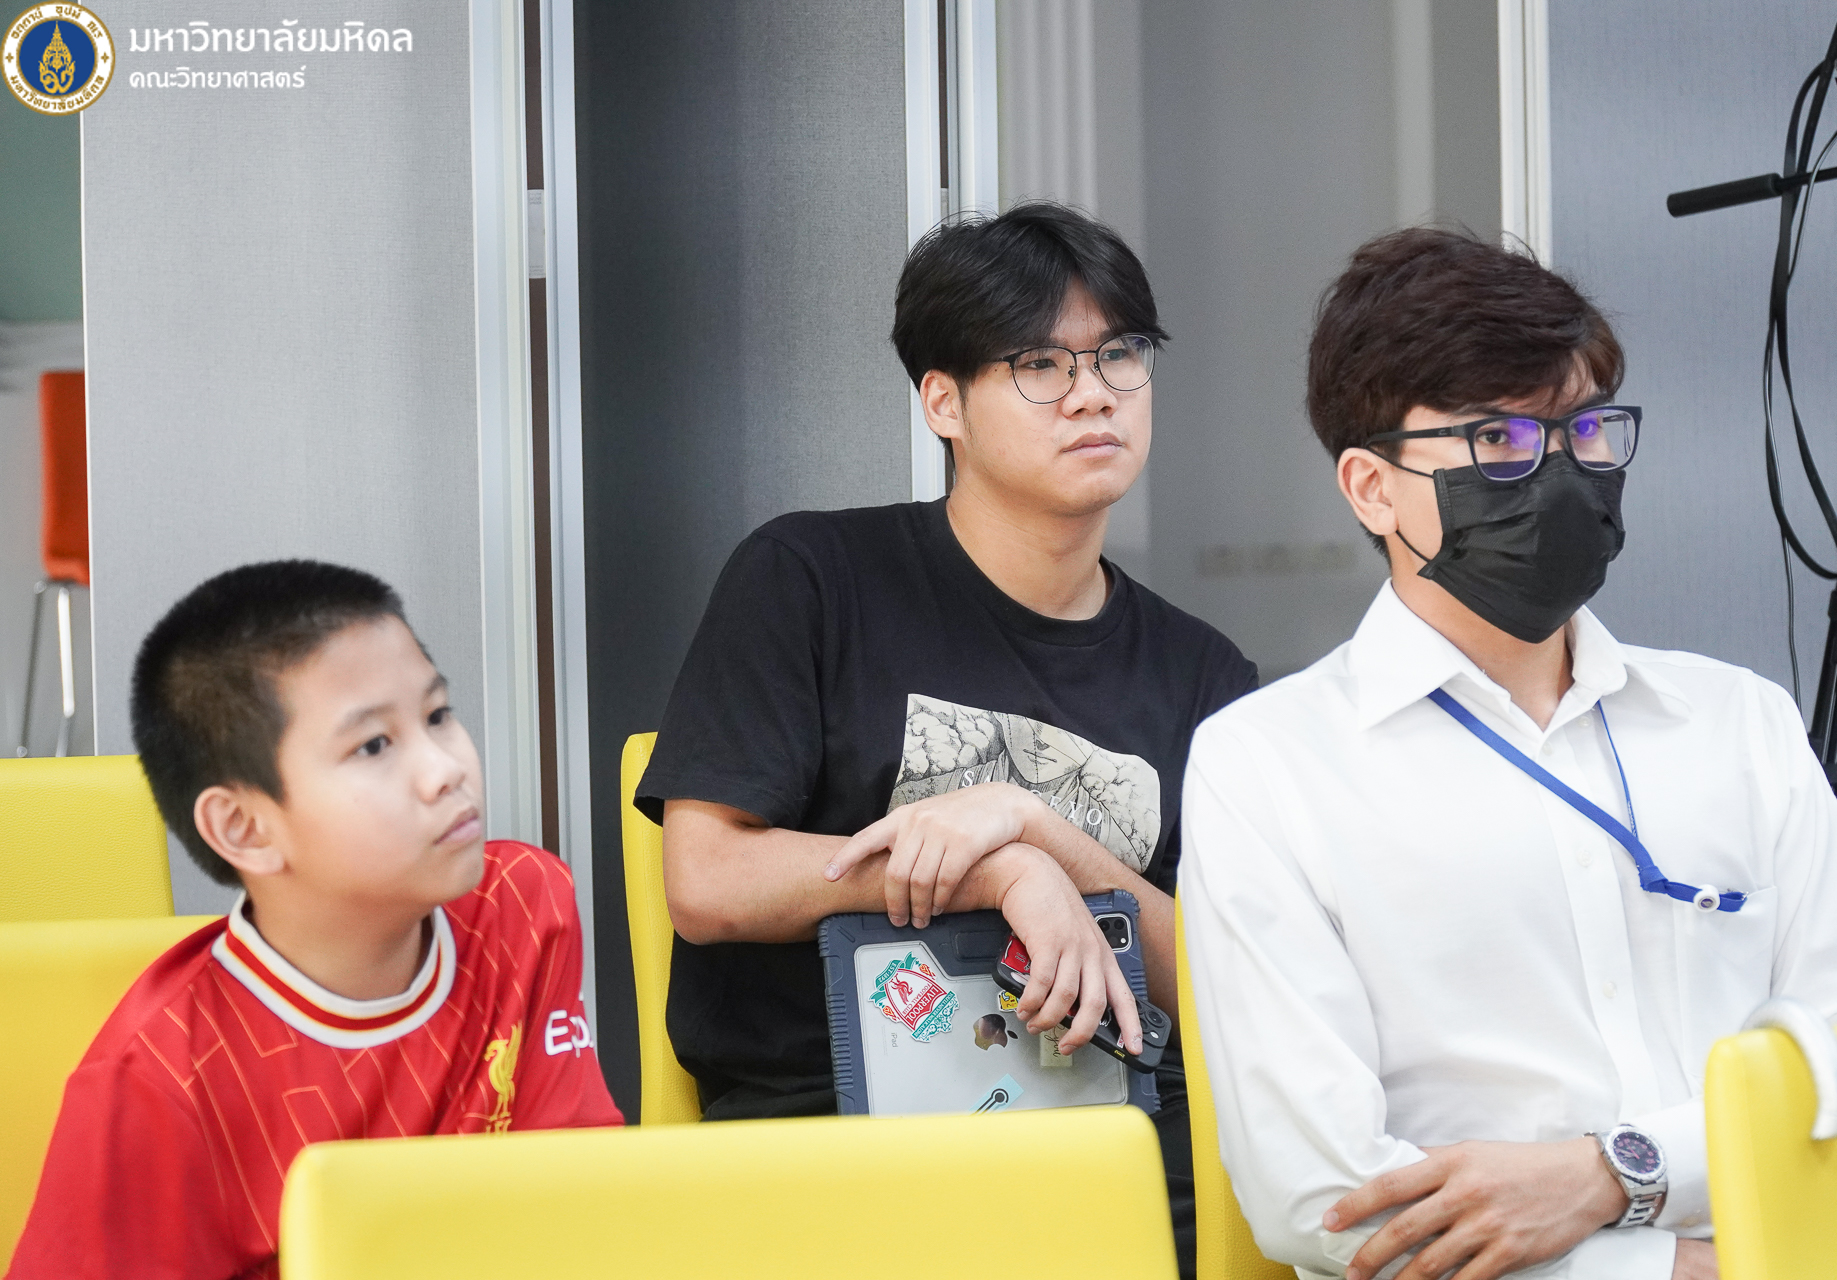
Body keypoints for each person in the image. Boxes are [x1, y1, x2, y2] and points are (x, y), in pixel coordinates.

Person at [1178, 228, 1837, 1280]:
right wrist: (1681, 1267)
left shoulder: (1737, 722)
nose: (1563, 471)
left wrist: (1615, 1174)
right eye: (1500, 439)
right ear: (1372, 486)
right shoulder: (1269, 765)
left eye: (1588, 430)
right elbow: (1323, 1198)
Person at [637, 201, 1259, 1274]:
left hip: (1107, 1140)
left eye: (1120, 355)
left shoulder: (1204, 672)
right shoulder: (811, 579)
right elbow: (708, 877)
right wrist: (1000, 869)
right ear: (943, 401)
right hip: (836, 1137)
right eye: (1039, 364)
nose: (1093, 392)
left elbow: (1227, 975)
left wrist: (1042, 832)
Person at [8, 561, 622, 1280]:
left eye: (437, 715)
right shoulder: (155, 1084)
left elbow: (577, 1208)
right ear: (244, 828)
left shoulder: (522, 902)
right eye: (373, 745)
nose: (445, 769)